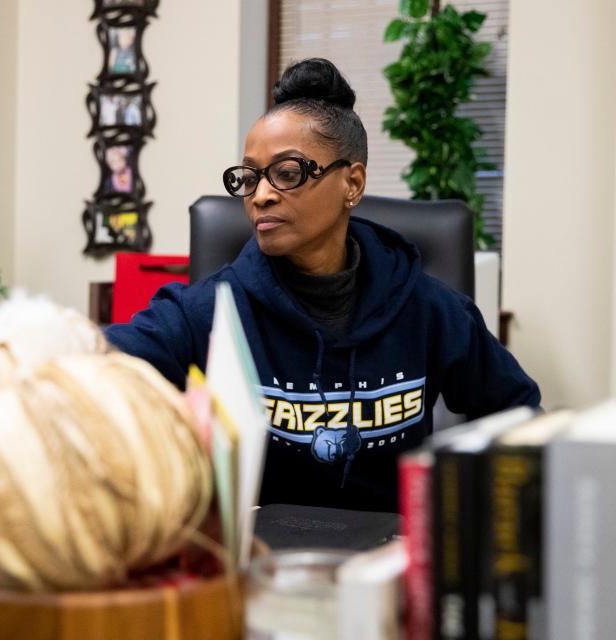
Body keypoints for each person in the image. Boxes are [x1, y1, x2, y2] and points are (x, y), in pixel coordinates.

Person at [105, 58, 540, 513]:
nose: (261, 195)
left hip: (391, 561)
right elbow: (101, 365)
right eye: (249, 177)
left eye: (287, 173)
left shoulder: (428, 309)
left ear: (352, 183)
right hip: (259, 562)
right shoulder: (209, 310)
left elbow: (518, 414)